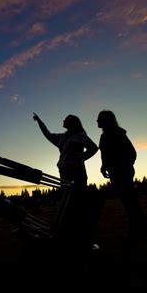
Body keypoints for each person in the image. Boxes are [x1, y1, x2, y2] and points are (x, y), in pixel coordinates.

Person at [32, 112, 100, 263]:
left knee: (77, 205)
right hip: (64, 174)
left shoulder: (79, 135)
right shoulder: (62, 137)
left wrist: (79, 159)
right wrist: (40, 122)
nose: (63, 120)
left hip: (77, 174)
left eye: (66, 119)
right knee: (68, 204)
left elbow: (94, 148)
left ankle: (83, 239)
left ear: (72, 122)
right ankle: (69, 236)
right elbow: (48, 135)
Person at [97, 110, 147, 245]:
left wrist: (123, 167)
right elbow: (105, 154)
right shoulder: (104, 137)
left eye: (99, 119)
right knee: (127, 202)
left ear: (107, 120)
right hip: (115, 173)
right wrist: (104, 166)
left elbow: (132, 153)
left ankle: (138, 231)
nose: (96, 121)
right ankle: (139, 230)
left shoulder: (118, 134)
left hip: (122, 173)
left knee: (130, 202)